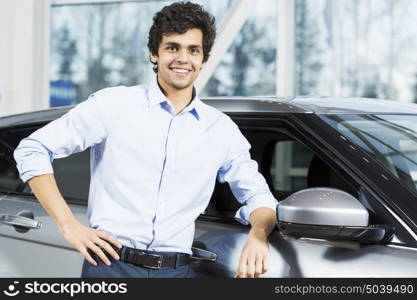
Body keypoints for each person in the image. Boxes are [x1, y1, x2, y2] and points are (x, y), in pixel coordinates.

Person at [13, 1, 277, 278]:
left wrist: (258, 236)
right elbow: (32, 149)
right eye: (172, 47)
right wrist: (68, 225)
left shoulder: (221, 130)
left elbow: (259, 196)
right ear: (154, 53)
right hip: (111, 267)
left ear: (203, 59)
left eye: (193, 50)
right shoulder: (113, 105)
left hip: (178, 274)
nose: (183, 58)